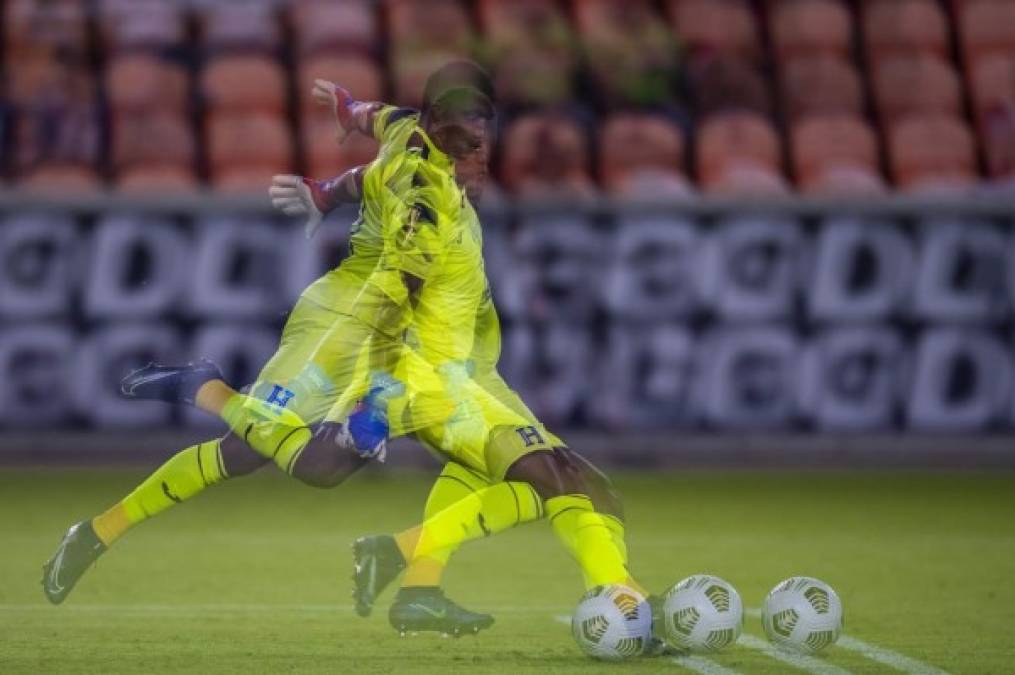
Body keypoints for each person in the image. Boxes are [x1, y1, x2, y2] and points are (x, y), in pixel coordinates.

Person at [43, 61, 646, 642]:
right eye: (470, 126)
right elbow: (394, 306)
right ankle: (197, 397)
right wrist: (377, 398)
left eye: (486, 123)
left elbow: (375, 132)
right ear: (439, 120)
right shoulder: (425, 205)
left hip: (449, 367)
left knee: (558, 479)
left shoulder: (412, 130)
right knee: (295, 462)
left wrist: (336, 153)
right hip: (352, 327)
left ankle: (447, 587)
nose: (482, 141)